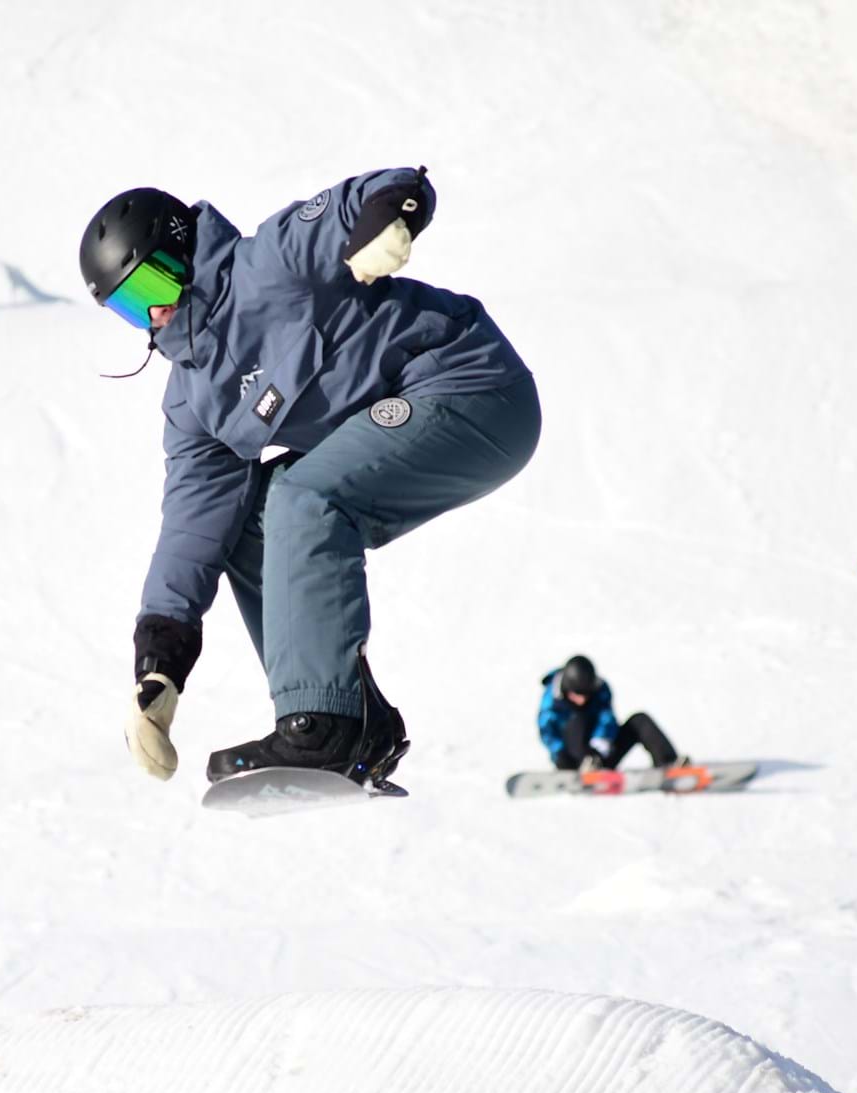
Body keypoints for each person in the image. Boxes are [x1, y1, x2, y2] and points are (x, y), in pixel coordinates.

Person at [79, 169, 540, 786]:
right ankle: (342, 715)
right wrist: (160, 659)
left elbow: (379, 193)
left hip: (474, 384)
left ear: (182, 253)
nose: (154, 312)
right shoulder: (194, 401)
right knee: (253, 524)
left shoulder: (270, 264)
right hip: (412, 422)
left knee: (304, 497)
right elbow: (192, 526)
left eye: (151, 285)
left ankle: (325, 727)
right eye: (130, 306)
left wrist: (387, 221)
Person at [537, 655, 683, 772]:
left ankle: (669, 764)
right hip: (571, 761)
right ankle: (584, 767)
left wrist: (598, 746)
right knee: (577, 720)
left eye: (586, 695)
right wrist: (560, 754)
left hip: (602, 753)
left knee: (639, 720)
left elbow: (607, 719)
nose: (582, 700)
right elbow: (547, 731)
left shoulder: (600, 689)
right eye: (578, 695)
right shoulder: (551, 699)